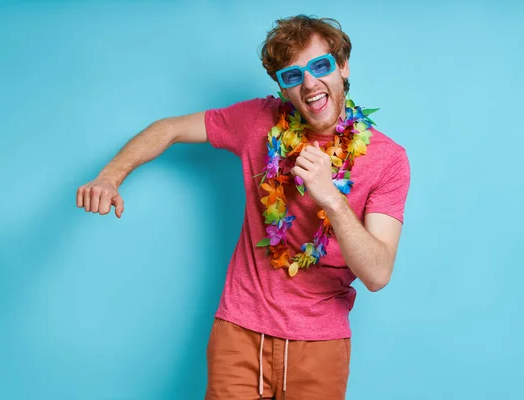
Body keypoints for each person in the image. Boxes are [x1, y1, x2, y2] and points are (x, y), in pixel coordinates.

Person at [76, 14, 410, 400]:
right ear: (283, 88)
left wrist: (331, 197)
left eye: (321, 66)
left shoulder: (388, 159)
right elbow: (168, 129)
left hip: (320, 344)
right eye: (292, 75)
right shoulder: (257, 121)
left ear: (343, 65)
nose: (310, 83)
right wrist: (110, 177)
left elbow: (377, 273)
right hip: (239, 332)